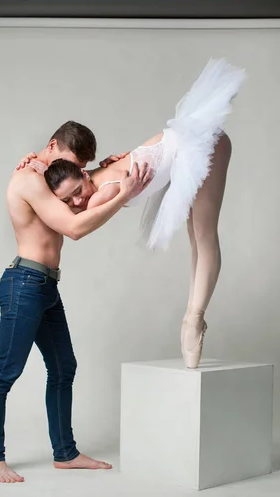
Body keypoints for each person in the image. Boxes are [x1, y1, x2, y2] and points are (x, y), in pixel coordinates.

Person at [19, 58, 246, 370]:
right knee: (198, 236)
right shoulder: (98, 174)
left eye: (77, 190)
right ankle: (193, 320)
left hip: (202, 144)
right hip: (179, 142)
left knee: (203, 235)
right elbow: (69, 192)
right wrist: (34, 162)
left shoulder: (104, 190)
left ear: (84, 175)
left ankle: (193, 321)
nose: (75, 202)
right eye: (68, 200)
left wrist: (117, 192)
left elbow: (78, 227)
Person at [0, 120, 152, 483]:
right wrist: (123, 193)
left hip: (45, 286)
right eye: (74, 163)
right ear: (52, 145)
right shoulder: (29, 179)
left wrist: (108, 167)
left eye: (81, 168)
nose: (79, 173)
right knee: (4, 372)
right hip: (23, 284)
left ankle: (65, 453)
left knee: (63, 368)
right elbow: (73, 228)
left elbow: (83, 187)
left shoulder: (55, 175)